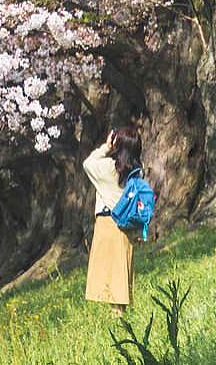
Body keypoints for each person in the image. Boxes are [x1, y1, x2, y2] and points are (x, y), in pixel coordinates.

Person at [85, 125, 142, 316]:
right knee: (121, 274)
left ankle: (116, 320)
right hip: (127, 226)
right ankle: (120, 316)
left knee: (109, 276)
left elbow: (88, 163)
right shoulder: (136, 171)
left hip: (107, 224)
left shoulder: (106, 168)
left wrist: (106, 147)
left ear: (117, 144)